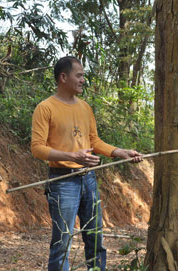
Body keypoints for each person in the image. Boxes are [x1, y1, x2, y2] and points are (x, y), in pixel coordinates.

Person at [31, 56, 142, 271]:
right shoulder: (45, 108)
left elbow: (94, 141)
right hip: (62, 182)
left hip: (89, 179)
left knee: (95, 237)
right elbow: (37, 148)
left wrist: (120, 152)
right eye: (79, 75)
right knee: (62, 241)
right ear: (63, 77)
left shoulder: (85, 108)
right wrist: (73, 157)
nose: (83, 80)